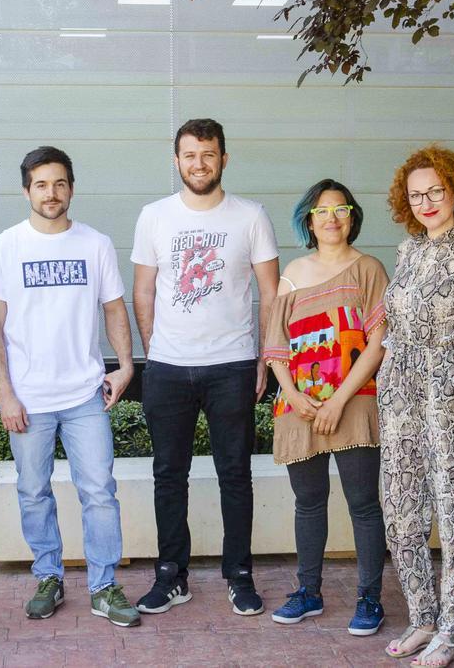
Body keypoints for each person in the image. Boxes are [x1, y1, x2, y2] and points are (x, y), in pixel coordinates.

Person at [0, 146, 140, 628]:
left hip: (85, 394)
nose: (52, 192)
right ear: (27, 189)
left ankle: (104, 585)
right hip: (28, 398)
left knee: (100, 492)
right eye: (42, 184)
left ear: (71, 188)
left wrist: (126, 365)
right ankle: (48, 575)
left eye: (60, 183)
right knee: (32, 491)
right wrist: (5, 394)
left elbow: (114, 308)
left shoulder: (95, 243)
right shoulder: (5, 247)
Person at [131, 118, 280, 616]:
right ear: (176, 161)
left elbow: (271, 295)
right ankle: (171, 575)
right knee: (168, 474)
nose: (199, 163)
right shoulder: (154, 216)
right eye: (190, 155)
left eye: (208, 154)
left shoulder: (251, 216)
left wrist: (264, 358)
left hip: (232, 365)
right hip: (169, 368)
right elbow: (144, 290)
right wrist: (153, 354)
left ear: (224, 159)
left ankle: (239, 573)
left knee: (235, 473)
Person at [378, 145, 454, 666]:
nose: (426, 202)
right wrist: (388, 370)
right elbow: (395, 323)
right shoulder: (408, 251)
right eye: (416, 195)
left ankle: (452, 631)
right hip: (400, 392)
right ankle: (422, 617)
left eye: (435, 191)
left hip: (451, 397)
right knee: (401, 511)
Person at [261, 179, 389, 636]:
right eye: (321, 211)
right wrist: (293, 396)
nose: (331, 218)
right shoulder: (292, 273)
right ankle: (308, 593)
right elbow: (276, 346)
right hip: (300, 406)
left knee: (363, 504)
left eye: (340, 209)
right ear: (308, 221)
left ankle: (370, 599)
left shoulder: (368, 269)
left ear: (352, 216)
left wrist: (338, 400)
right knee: (309, 503)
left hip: (353, 402)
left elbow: (378, 344)